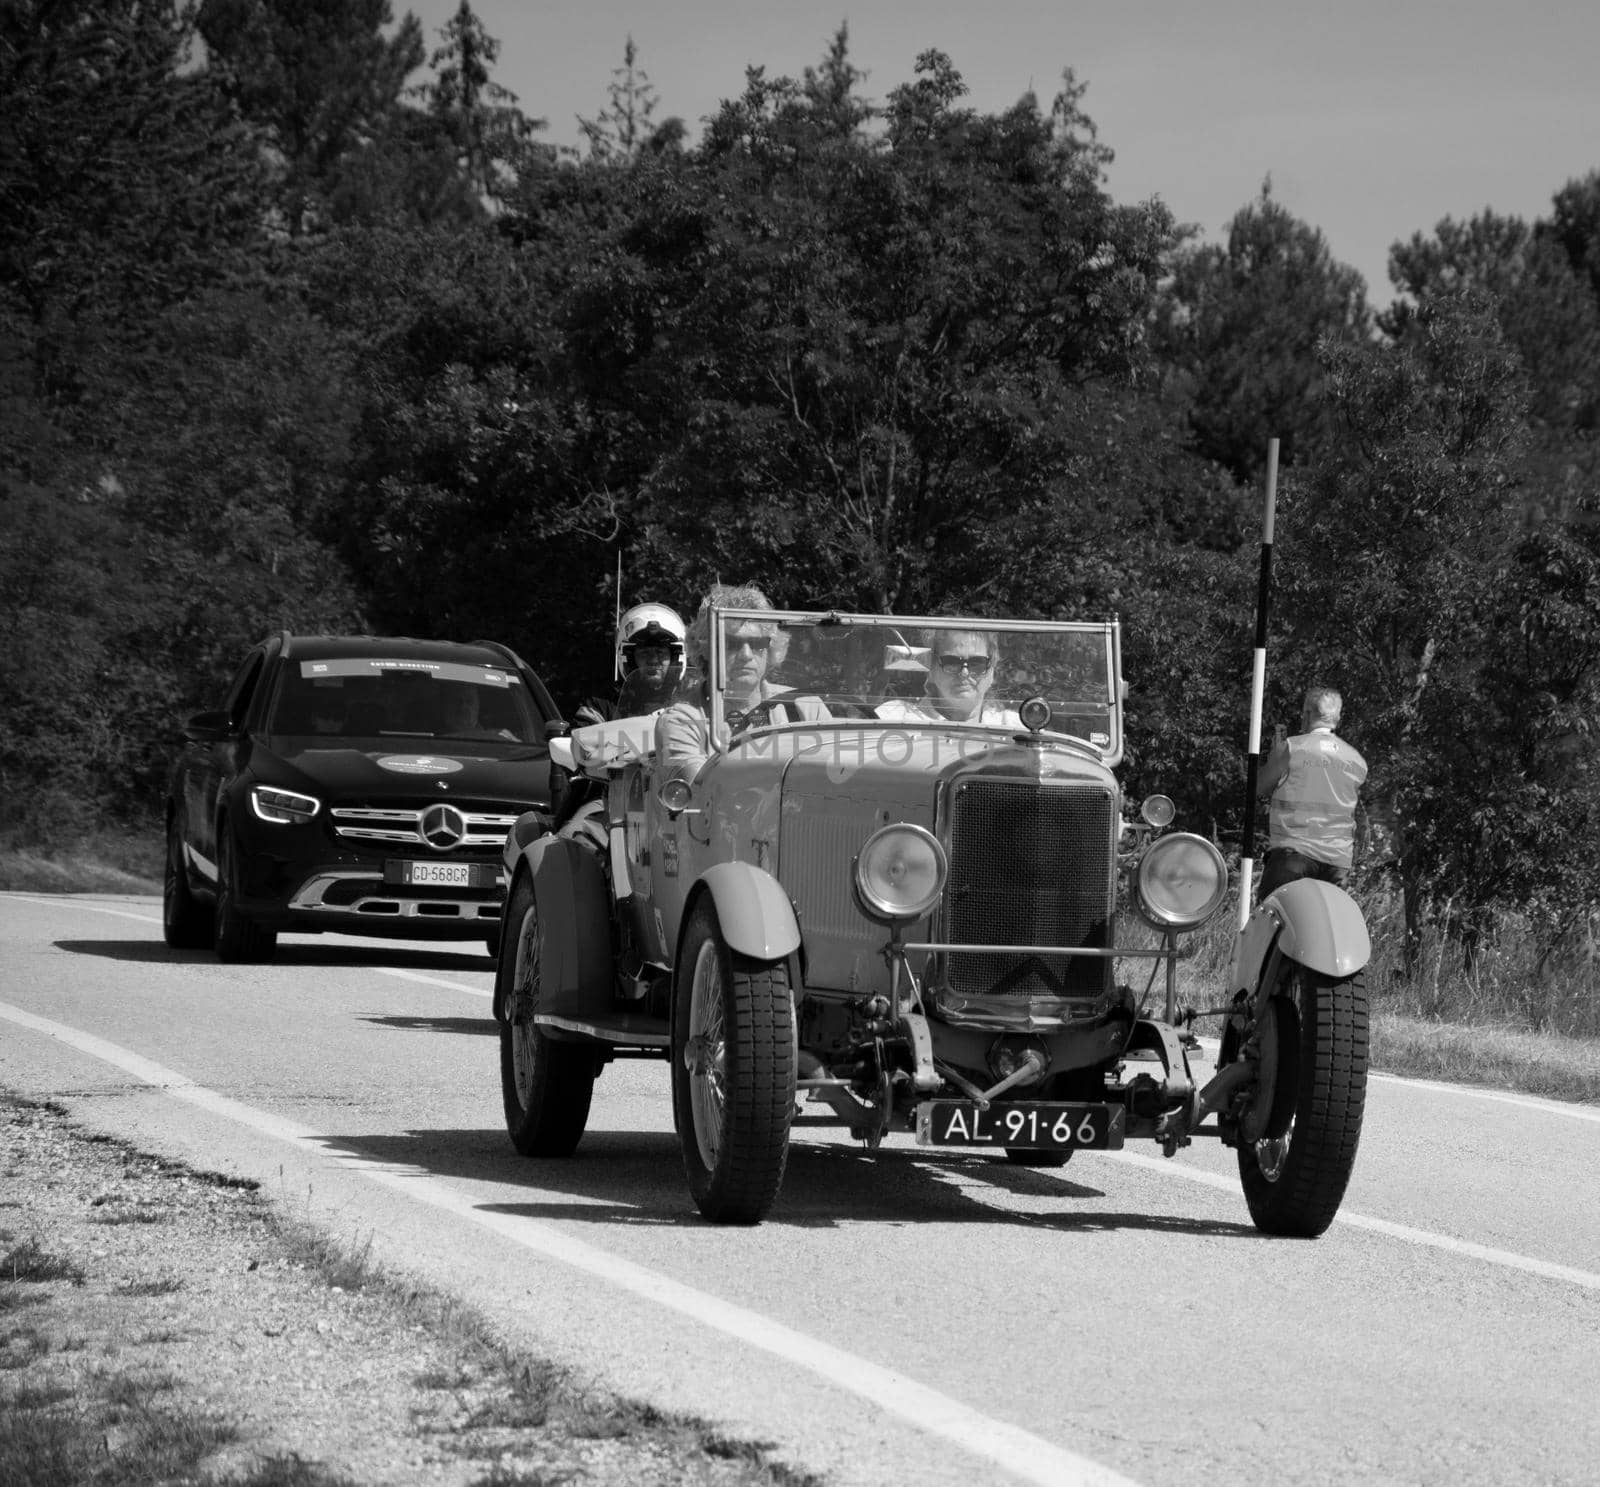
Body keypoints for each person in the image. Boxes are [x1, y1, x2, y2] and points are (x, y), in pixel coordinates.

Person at [656, 583, 825, 784]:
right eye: (732, 644)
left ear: (770, 650)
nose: (746, 655)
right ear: (705, 650)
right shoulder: (682, 721)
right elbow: (706, 794)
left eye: (756, 644)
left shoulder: (805, 707)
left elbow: (837, 777)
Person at [1256, 685, 1369, 898]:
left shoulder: (1292, 748)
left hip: (1293, 854)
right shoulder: (1356, 760)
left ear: (1308, 714)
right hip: (1337, 862)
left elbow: (1261, 787)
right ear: (1336, 717)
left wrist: (1274, 755)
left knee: (1270, 924)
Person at [875, 630, 1021, 726]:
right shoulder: (894, 717)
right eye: (951, 662)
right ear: (931, 670)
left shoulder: (1015, 727)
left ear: (992, 673)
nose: (964, 673)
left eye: (977, 664)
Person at [614, 603, 687, 715]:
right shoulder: (604, 706)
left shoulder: (691, 706)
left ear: (675, 658)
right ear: (629, 660)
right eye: (644, 653)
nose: (653, 660)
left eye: (660, 652)